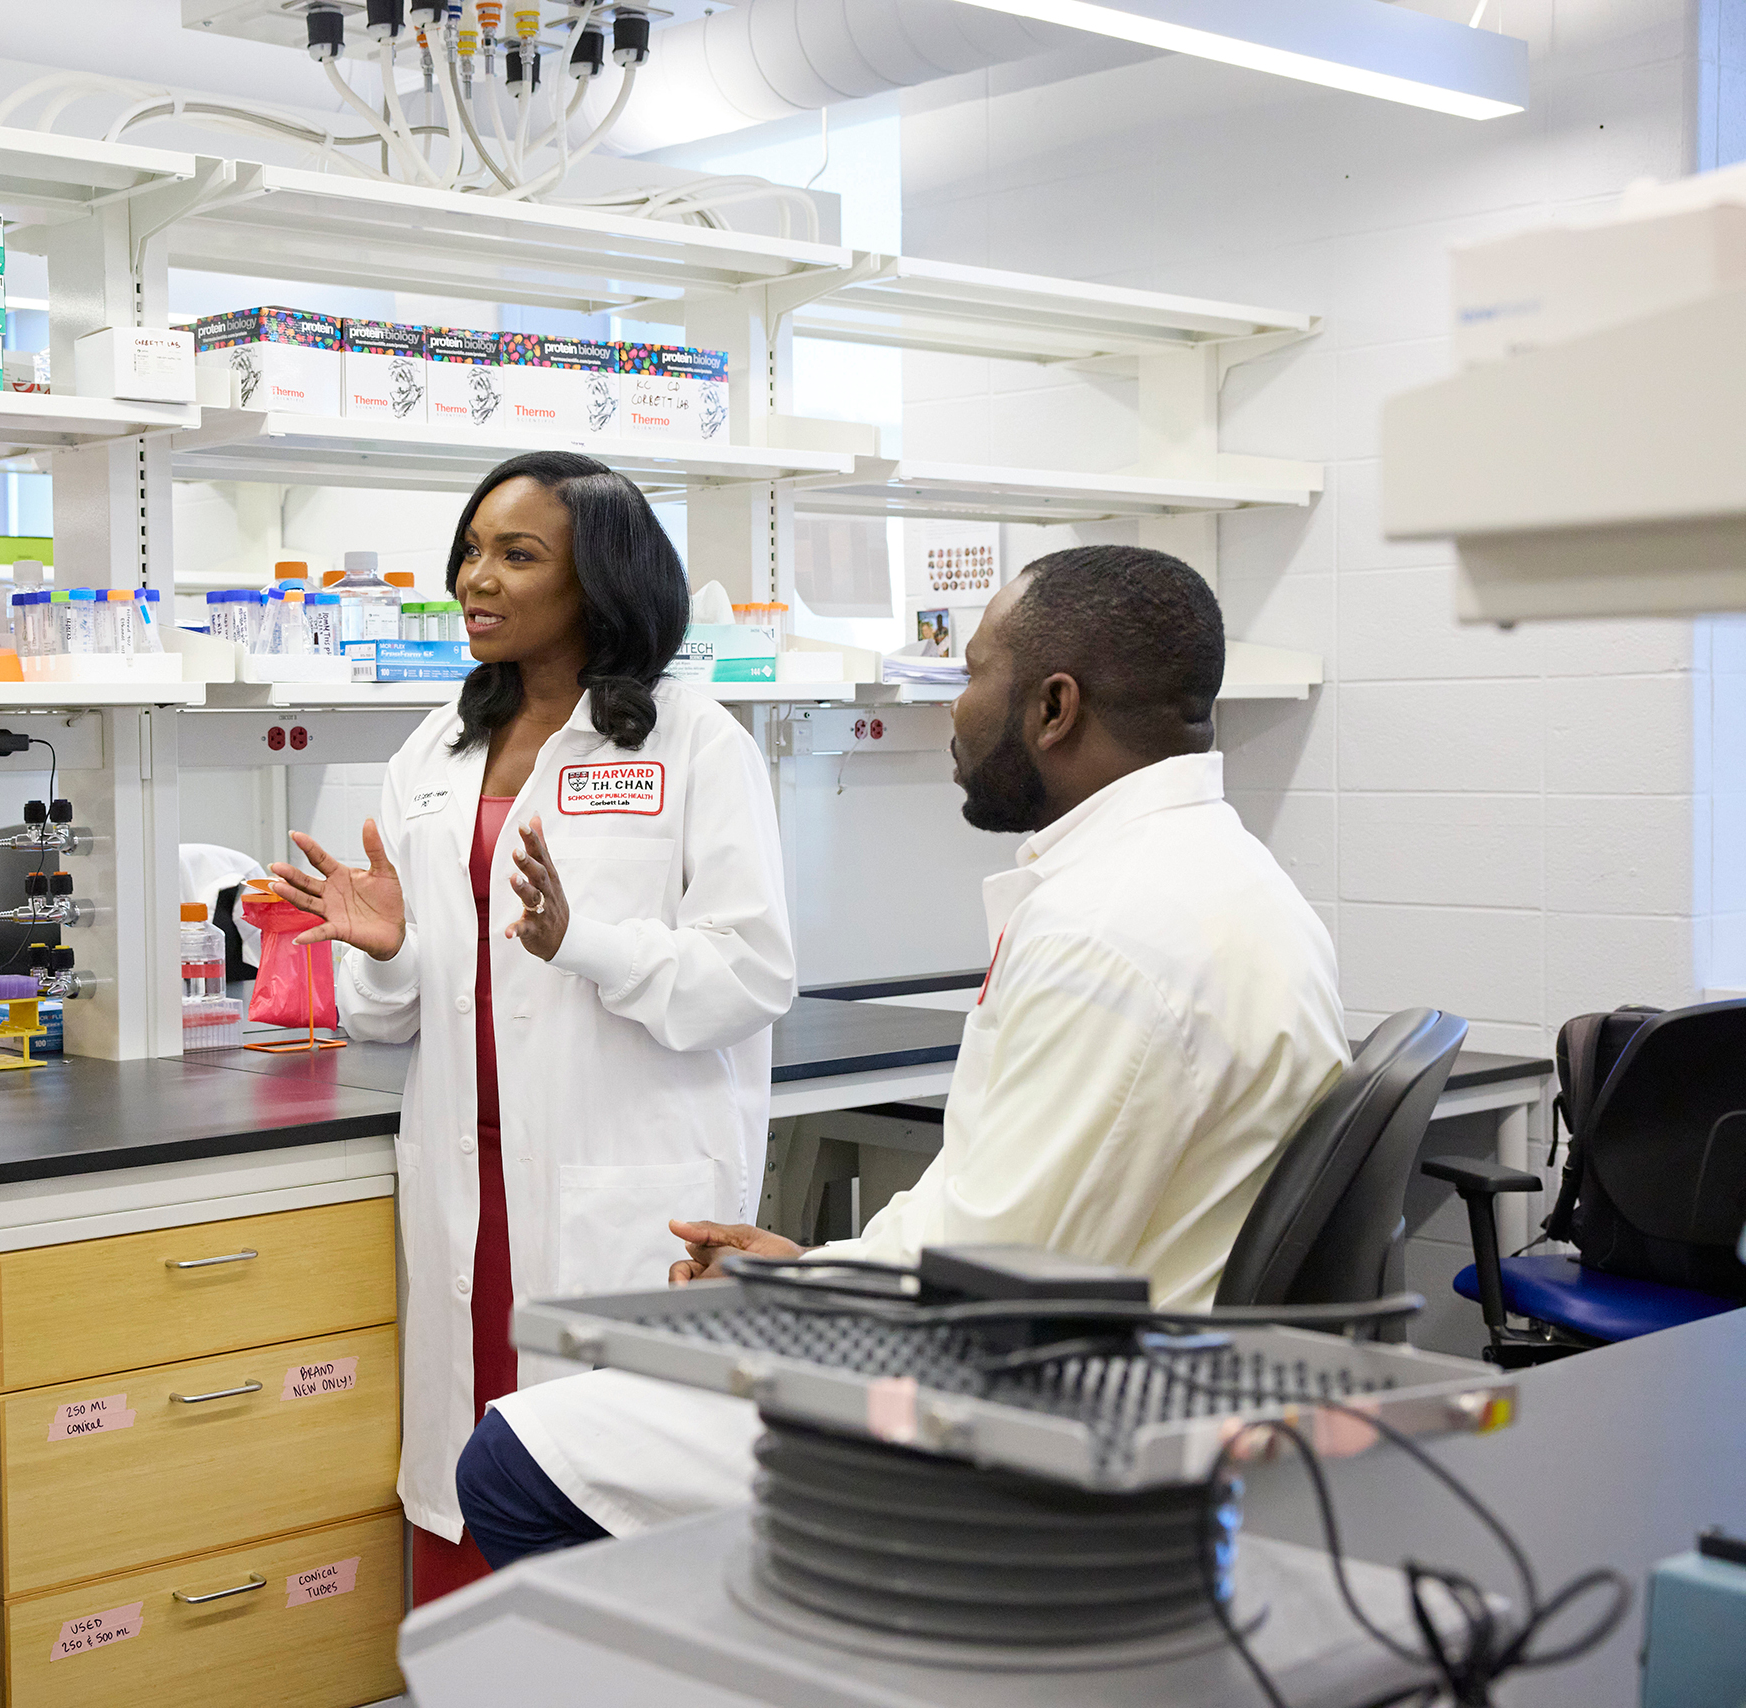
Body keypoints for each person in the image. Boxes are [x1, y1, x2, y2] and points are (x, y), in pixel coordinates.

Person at [456, 544, 1350, 1569]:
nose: (952, 711)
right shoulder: (1228, 874)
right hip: (1114, 1371)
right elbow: (999, 1219)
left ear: (1053, 706)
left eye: (973, 675)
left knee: (516, 1461)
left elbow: (986, 1283)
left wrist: (796, 1304)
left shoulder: (1111, 933)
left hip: (1033, 1420)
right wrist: (808, 1270)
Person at [267, 450, 796, 1602]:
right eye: (470, 550)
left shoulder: (693, 742)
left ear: (597, 580)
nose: (476, 579)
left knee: (606, 1513)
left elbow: (748, 976)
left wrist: (585, 940)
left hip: (620, 1181)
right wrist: (390, 947)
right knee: (471, 1491)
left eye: (517, 555)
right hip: (470, 1180)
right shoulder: (433, 753)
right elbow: (394, 1018)